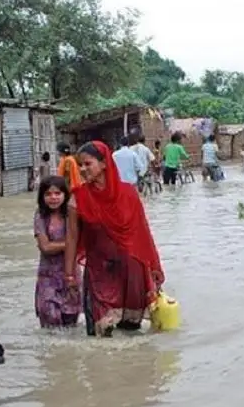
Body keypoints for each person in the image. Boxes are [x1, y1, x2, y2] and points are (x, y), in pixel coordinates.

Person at [65, 141, 164, 337]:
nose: (83, 169)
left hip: (131, 270)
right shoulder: (77, 198)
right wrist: (69, 275)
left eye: (88, 164)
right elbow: (72, 238)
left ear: (104, 164)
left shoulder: (128, 194)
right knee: (100, 335)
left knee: (132, 337)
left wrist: (153, 268)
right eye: (80, 165)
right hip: (99, 273)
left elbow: (142, 233)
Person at [33, 175, 82, 328]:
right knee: (49, 323)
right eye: (48, 194)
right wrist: (72, 243)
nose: (53, 198)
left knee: (71, 325)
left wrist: (66, 244)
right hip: (48, 278)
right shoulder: (40, 216)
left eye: (57, 193)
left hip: (72, 276)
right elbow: (45, 247)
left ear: (65, 195)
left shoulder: (73, 214)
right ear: (42, 197)